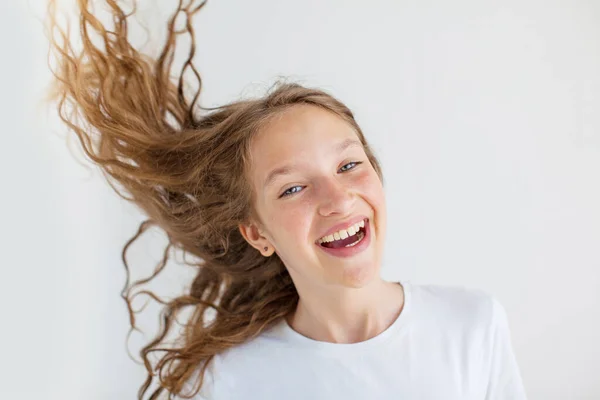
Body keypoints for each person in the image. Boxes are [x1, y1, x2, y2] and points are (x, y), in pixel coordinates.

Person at [46, 0, 527, 399]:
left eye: (348, 166)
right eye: (293, 188)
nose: (337, 199)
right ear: (257, 234)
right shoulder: (231, 380)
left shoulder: (473, 325)